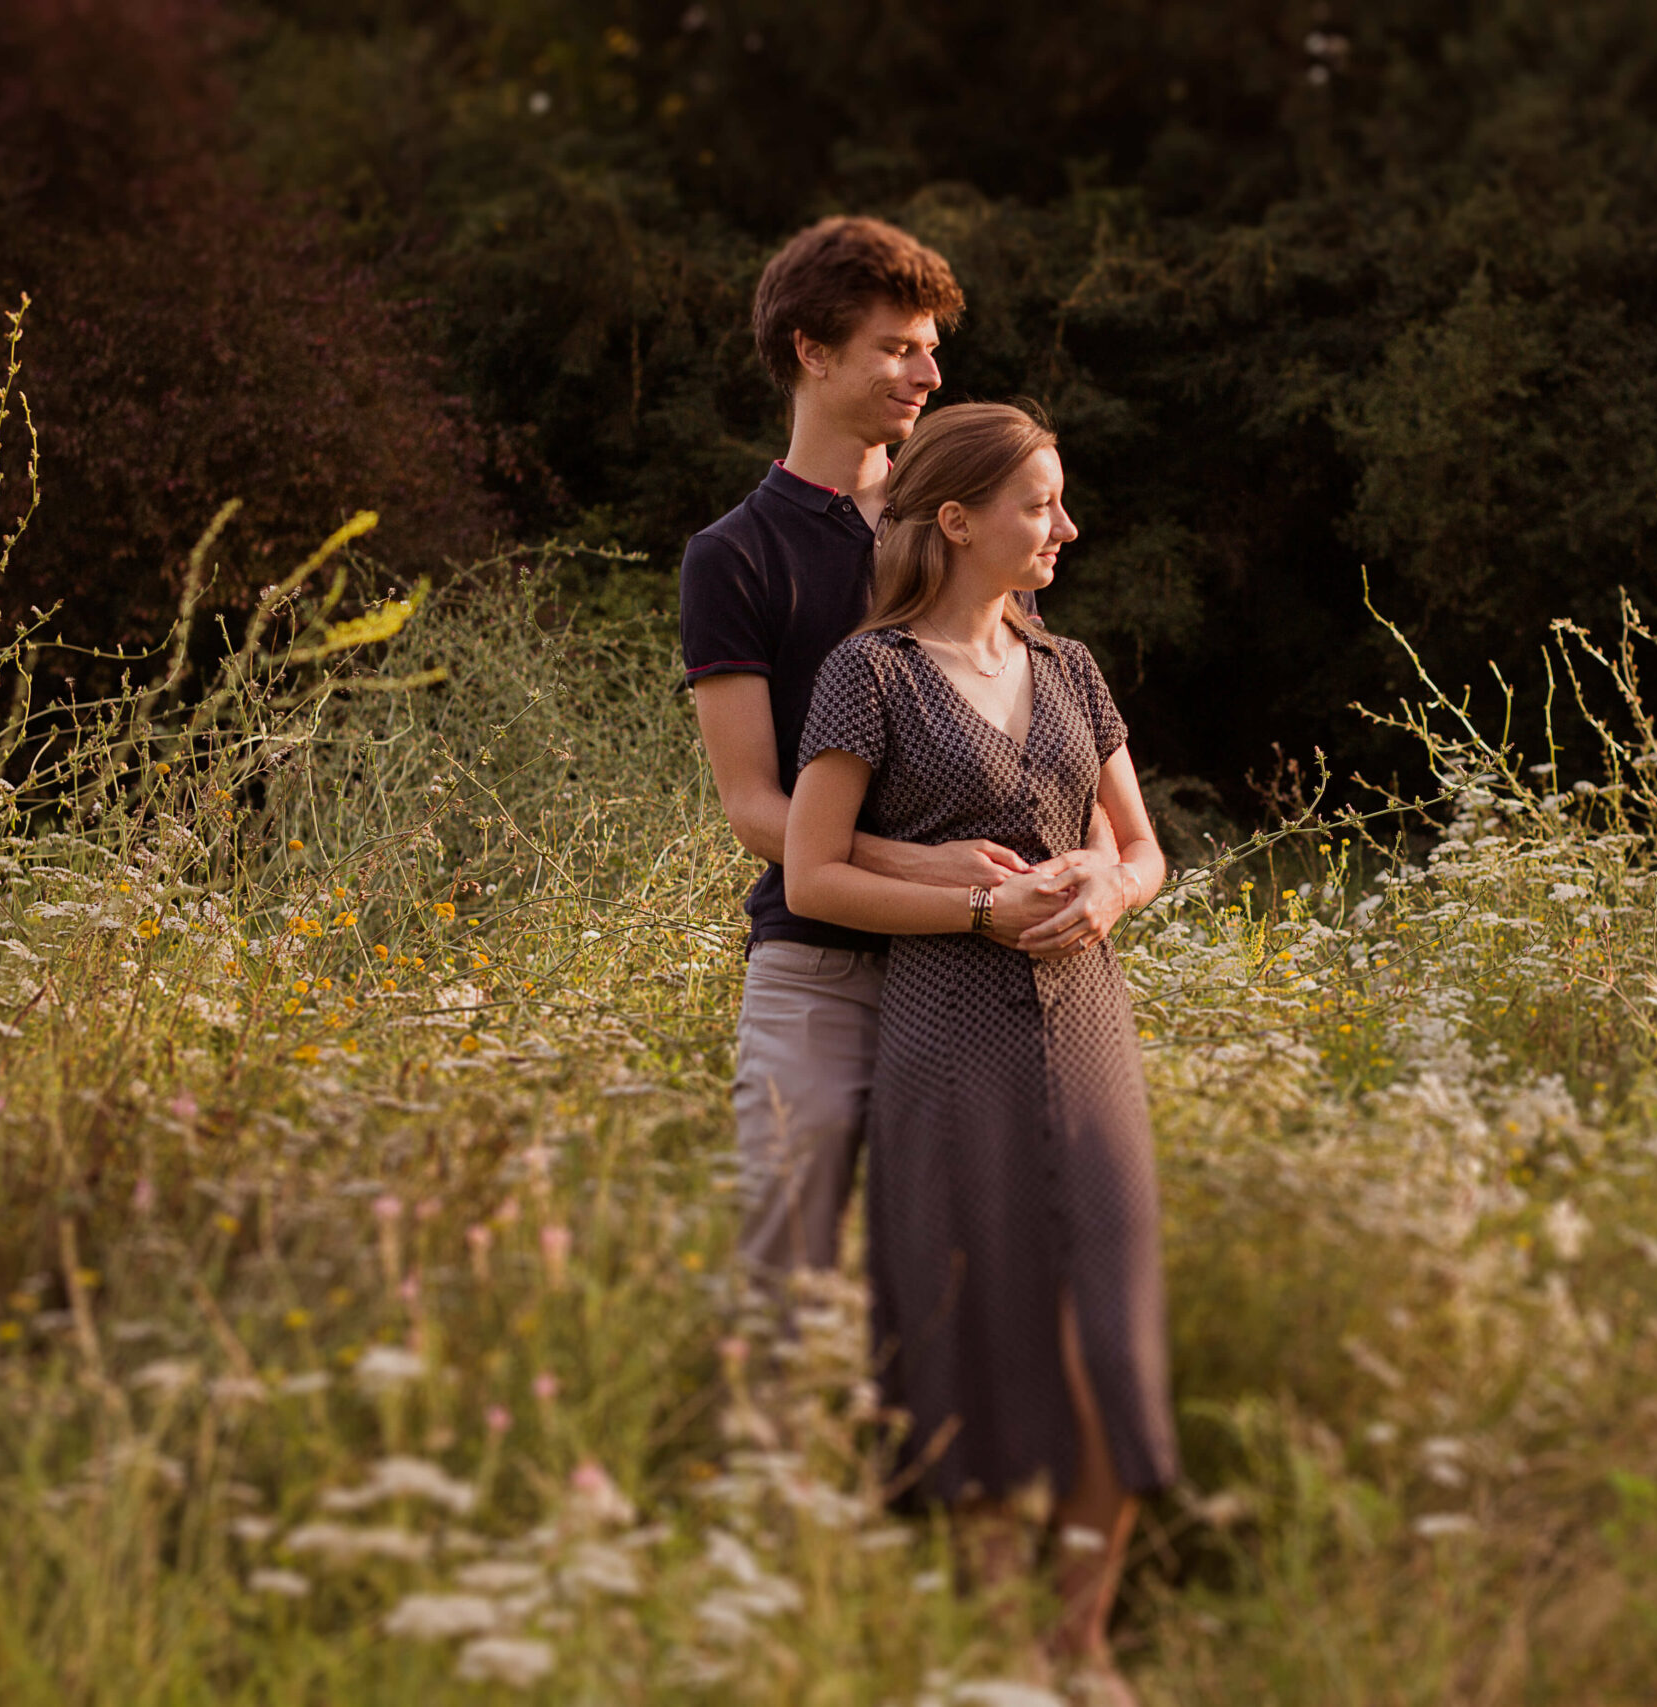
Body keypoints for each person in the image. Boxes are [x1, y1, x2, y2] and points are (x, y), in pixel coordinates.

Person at [782, 402, 1172, 1697]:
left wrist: (1111, 893)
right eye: (1040, 503)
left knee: (1108, 1338)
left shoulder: (1074, 671)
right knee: (980, 1329)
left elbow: (1144, 846)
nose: (1065, 525)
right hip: (945, 1031)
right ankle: (1008, 1644)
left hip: (1089, 1026)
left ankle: (1085, 1637)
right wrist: (970, 905)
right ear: (957, 521)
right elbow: (814, 871)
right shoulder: (870, 673)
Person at [681, 218, 1120, 1299]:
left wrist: (1095, 871)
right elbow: (753, 807)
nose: (928, 371)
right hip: (822, 965)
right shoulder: (733, 557)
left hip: (988, 969)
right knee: (789, 1266)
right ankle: (774, 1462)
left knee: (977, 1276)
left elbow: (1050, 737)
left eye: (931, 346)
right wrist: (945, 873)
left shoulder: (968, 521)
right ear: (809, 351)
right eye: (897, 347)